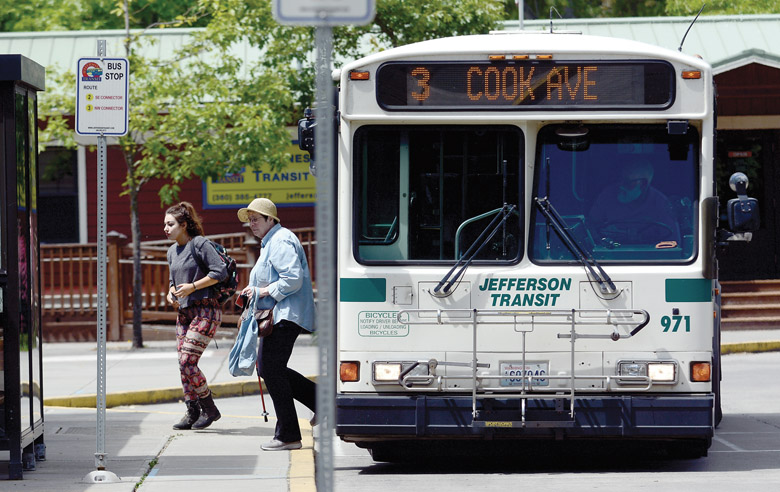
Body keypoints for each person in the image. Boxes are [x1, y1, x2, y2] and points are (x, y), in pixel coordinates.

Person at [237, 198, 316, 451]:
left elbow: (292, 279)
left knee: (270, 369)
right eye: (250, 220)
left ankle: (289, 435)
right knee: (270, 368)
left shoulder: (280, 240)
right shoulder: (272, 241)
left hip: (285, 315)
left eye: (256, 219)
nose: (252, 224)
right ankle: (321, 404)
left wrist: (261, 291)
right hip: (280, 315)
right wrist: (255, 293)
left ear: (272, 219)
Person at [164, 201, 228, 430]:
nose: (166, 228)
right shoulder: (172, 251)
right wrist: (171, 294)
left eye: (170, 224)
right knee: (183, 365)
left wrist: (192, 286)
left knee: (187, 361)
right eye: (165, 224)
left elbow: (219, 272)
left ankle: (209, 408)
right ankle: (192, 411)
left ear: (184, 225)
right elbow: (173, 282)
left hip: (206, 310)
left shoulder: (199, 244)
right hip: (184, 312)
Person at [588, 160, 681, 246]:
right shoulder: (607, 195)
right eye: (620, 179)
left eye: (627, 182)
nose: (621, 186)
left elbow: (673, 243)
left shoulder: (662, 204)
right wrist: (602, 235)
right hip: (610, 256)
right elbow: (590, 227)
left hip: (649, 259)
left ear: (643, 184)